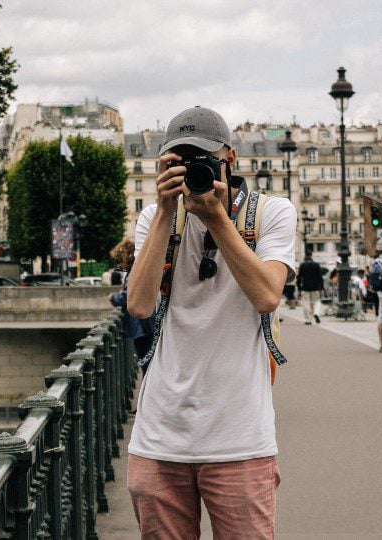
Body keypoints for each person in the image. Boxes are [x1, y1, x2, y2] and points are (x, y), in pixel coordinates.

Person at [125, 106, 296, 538]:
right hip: (160, 438)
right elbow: (140, 305)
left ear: (230, 158)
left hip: (240, 438)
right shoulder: (155, 218)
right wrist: (165, 211)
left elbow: (266, 296)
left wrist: (217, 219)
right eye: (179, 160)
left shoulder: (271, 214)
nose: (192, 169)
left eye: (201, 158)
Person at [109, 239, 155, 369]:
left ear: (125, 258)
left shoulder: (134, 272)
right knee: (148, 361)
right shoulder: (139, 268)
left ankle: (147, 389)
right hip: (146, 322)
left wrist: (113, 297)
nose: (119, 265)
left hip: (142, 325)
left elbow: (127, 298)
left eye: (119, 261)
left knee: (145, 362)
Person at [297, 252, 324, 324]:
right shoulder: (316, 265)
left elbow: (299, 277)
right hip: (315, 287)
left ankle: (308, 320)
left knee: (305, 303)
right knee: (317, 301)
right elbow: (320, 277)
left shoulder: (302, 265)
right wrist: (321, 288)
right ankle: (316, 313)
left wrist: (299, 288)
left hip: (305, 287)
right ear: (311, 256)